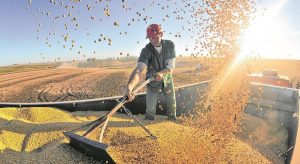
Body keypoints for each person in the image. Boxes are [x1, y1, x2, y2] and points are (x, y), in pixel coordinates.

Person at [124, 24, 177, 120]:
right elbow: (139, 70)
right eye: (149, 38)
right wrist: (129, 86)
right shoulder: (146, 50)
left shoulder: (170, 45)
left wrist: (162, 73)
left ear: (161, 34)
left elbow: (171, 66)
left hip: (167, 75)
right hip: (152, 78)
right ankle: (149, 120)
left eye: (154, 37)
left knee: (171, 100)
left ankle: (172, 119)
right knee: (151, 106)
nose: (152, 40)